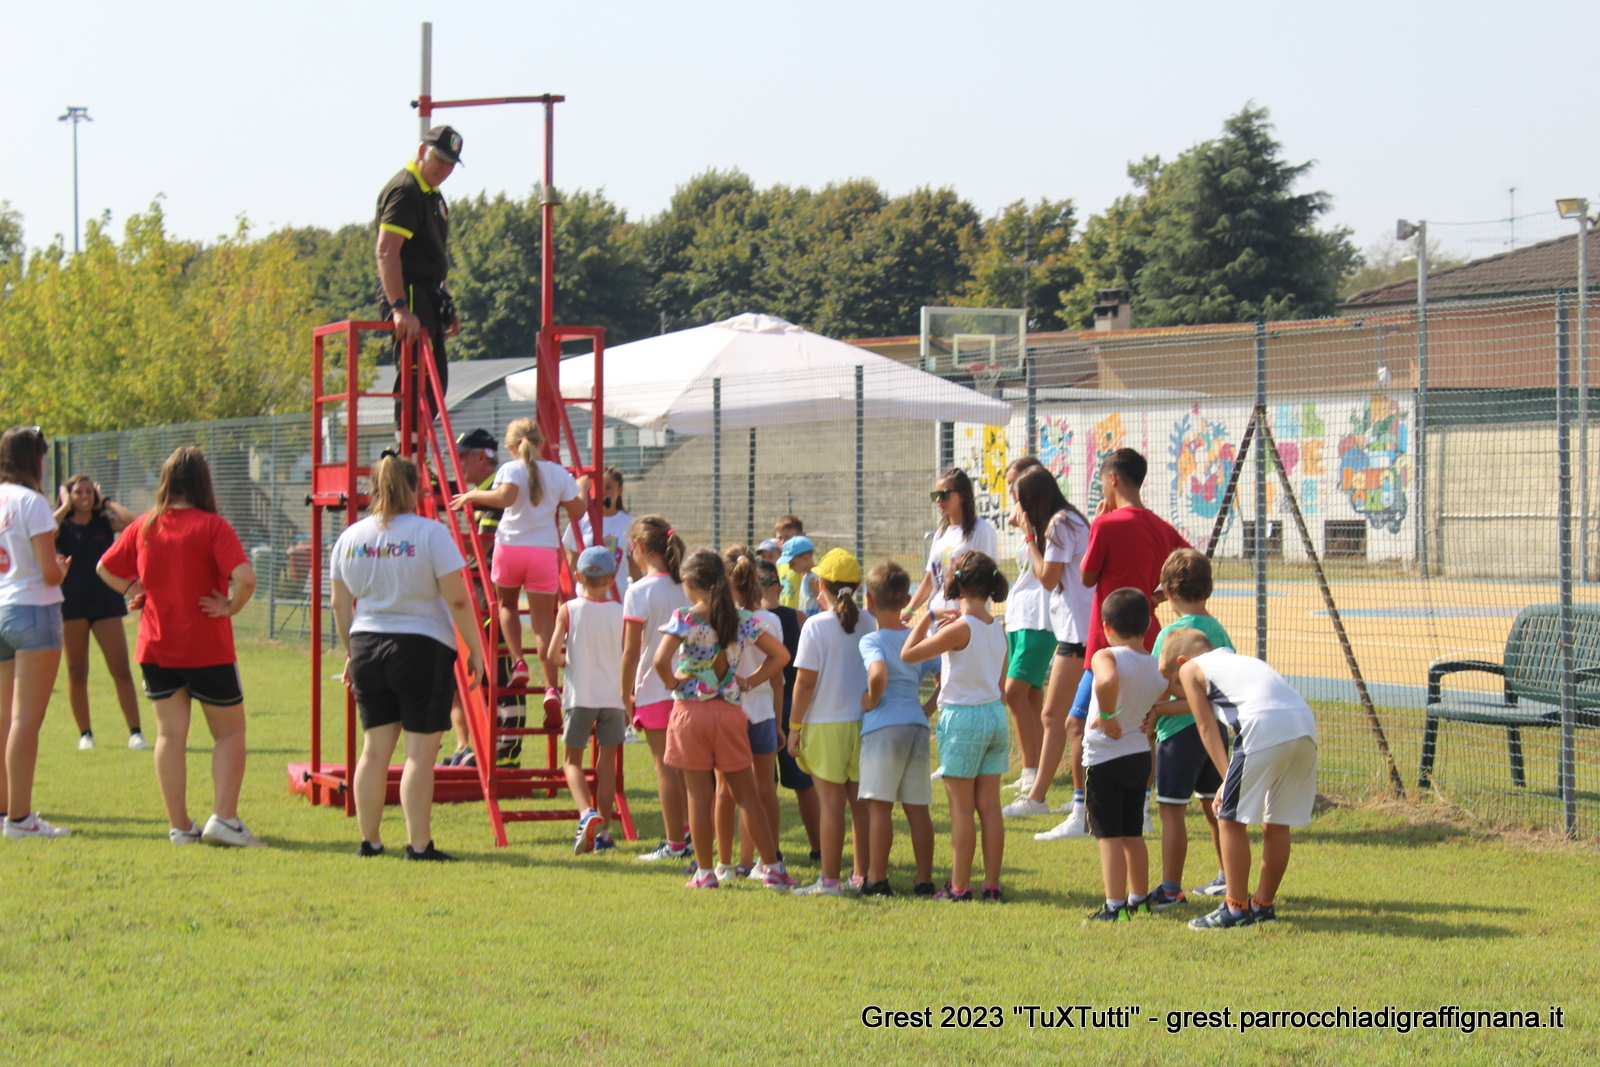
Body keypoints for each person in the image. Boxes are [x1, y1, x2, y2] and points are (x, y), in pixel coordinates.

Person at [98, 447, 261, 847]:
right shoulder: (212, 526)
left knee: (170, 736)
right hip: (206, 646)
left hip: (156, 646)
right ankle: (224, 819)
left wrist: (135, 589)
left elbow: (104, 567)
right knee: (229, 732)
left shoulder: (144, 526)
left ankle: (180, 826)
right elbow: (247, 578)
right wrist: (229, 607)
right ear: (204, 482)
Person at [330, 452, 485, 860]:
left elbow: (339, 604)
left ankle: (370, 841)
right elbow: (457, 599)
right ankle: (419, 845)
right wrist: (477, 651)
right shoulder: (430, 534)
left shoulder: (349, 537)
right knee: (419, 753)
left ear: (373, 490)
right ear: (414, 488)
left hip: (365, 644)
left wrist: (351, 651)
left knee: (374, 750)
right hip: (421, 646)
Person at [1037, 448, 1188, 842]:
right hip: (1149, 642)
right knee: (1144, 724)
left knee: (1076, 724)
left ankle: (1080, 811)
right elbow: (1190, 561)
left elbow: (1086, 577)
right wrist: (1156, 597)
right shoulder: (1158, 525)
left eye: (1102, 480)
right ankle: (1140, 808)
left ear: (1113, 480)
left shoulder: (1107, 523)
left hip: (1107, 644)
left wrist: (1101, 522)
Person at [654, 549, 795, 889]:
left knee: (699, 795)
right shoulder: (743, 617)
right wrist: (748, 681)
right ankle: (773, 868)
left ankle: (705, 874)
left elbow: (661, 660)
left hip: (691, 713)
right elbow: (781, 656)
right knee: (747, 794)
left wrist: (674, 682)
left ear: (688, 583)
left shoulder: (686, 617)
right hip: (731, 712)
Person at [1160, 627, 1319, 929]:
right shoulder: (1243, 661)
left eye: (1173, 682)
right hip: (1304, 726)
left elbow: (1206, 728)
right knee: (1276, 822)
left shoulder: (1192, 669)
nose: (1176, 689)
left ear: (1182, 661)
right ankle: (1263, 904)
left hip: (1263, 726)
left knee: (1229, 818)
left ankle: (1234, 908)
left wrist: (1224, 779)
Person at [450, 418, 585, 720]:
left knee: (507, 607)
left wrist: (471, 496)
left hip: (510, 548)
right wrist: (581, 489)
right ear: (541, 443)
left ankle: (517, 662)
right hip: (544, 552)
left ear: (511, 447)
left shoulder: (510, 469)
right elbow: (577, 510)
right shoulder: (556, 472)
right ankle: (552, 688)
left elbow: (504, 498)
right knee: (543, 626)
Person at [902, 550, 1009, 902]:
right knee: (990, 808)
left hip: (963, 718)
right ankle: (991, 884)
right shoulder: (999, 630)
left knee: (961, 809)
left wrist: (927, 616)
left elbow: (909, 654)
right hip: (994, 716)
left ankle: (959, 886)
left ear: (957, 583)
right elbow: (1001, 684)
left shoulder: (959, 628)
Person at [1144, 549, 1234, 908]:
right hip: (1215, 737)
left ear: (1167, 592)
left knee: (1171, 812)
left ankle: (1170, 888)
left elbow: (1158, 686)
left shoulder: (1170, 634)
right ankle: (1229, 877)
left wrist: (1158, 711)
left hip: (1178, 737)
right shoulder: (1218, 631)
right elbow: (1215, 698)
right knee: (1219, 809)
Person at [1002, 465, 1092, 822]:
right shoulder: (1069, 519)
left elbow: (1047, 577)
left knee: (1054, 715)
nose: (1019, 509)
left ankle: (1038, 796)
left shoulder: (1058, 524)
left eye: (1021, 500)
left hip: (1077, 633)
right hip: (1078, 629)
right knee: (1072, 719)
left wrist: (1028, 538)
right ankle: (1081, 795)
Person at [785, 548, 876, 895]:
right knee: (860, 806)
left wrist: (794, 728)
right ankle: (861, 875)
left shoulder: (814, 625)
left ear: (819, 584)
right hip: (863, 723)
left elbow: (804, 683)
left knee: (831, 806)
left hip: (824, 726)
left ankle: (830, 881)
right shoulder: (869, 620)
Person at [1079, 588, 1167, 923]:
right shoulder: (1156, 667)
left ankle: (1114, 906)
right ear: (1148, 627)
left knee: (1108, 836)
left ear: (1106, 626)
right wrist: (1156, 711)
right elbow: (1177, 692)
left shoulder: (1107, 655)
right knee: (1133, 833)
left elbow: (1107, 679)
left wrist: (1107, 713)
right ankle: (1139, 899)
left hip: (1105, 759)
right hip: (1139, 756)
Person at [0, 427, 71, 840]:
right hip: (33, 612)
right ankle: (21, 818)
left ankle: (7, 810)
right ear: (33, 460)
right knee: (26, 721)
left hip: (3, 608)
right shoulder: (33, 502)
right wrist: (61, 570)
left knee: (5, 719)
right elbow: (48, 572)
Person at [856, 560, 939, 897]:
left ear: (869, 600)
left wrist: (873, 699)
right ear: (907, 600)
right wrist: (929, 706)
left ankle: (877, 878)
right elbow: (942, 673)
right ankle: (924, 879)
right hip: (917, 726)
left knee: (880, 807)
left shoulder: (871, 640)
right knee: (918, 808)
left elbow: (877, 674)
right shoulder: (917, 638)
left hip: (883, 729)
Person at [376, 125, 465, 438]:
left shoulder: (432, 195)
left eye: (451, 164)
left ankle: (419, 451)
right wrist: (399, 306)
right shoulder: (406, 190)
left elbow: (433, 257)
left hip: (427, 293)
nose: (444, 169)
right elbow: (387, 251)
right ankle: (408, 454)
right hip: (409, 291)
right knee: (417, 377)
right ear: (420, 152)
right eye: (439, 159)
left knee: (434, 380)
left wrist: (446, 303)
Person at [52, 475, 145, 751]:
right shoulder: (63, 526)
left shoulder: (105, 522)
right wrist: (64, 505)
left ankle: (136, 732)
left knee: (120, 668)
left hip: (105, 603)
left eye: (89, 492)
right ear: (68, 496)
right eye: (77, 492)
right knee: (77, 670)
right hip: (72, 605)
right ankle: (85, 734)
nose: (84, 496)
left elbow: (134, 522)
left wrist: (107, 502)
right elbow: (46, 529)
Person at [621, 516, 693, 862]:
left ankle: (675, 843)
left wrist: (625, 695)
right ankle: (691, 835)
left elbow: (631, 651)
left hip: (654, 689)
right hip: (692, 687)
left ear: (642, 549)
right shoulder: (689, 586)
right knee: (690, 770)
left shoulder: (638, 591)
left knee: (665, 769)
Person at [710, 546, 783, 880]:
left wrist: (744, 683)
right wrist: (778, 719)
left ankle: (725, 864)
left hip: (731, 712)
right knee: (764, 790)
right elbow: (778, 674)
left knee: (725, 791)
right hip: (764, 713)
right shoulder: (770, 620)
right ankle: (765, 862)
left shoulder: (722, 620)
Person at [550, 546, 626, 855]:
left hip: (580, 695)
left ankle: (585, 813)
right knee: (607, 765)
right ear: (611, 579)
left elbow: (552, 654)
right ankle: (604, 831)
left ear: (578, 576)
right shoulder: (621, 611)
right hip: (614, 698)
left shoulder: (568, 610)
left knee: (571, 761)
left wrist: (572, 659)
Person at [442, 427, 500, 766]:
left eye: (463, 456)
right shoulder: (481, 490)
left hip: (486, 592)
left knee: (477, 672)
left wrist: (437, 545)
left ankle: (484, 750)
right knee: (458, 675)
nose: (458, 463)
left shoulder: (491, 490)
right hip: (478, 587)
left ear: (481, 456)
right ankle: (465, 746)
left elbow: (484, 542)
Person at [998, 456, 1053, 796]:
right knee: (1031, 694)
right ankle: (1033, 767)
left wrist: (1027, 530)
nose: (1010, 491)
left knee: (1013, 691)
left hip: (1040, 619)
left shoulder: (1048, 521)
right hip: (1019, 616)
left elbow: (1048, 568)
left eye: (1014, 483)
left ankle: (1033, 771)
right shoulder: (1026, 519)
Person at [760, 557, 820, 861]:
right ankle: (819, 847)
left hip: (761, 706)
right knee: (804, 784)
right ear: (778, 584)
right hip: (793, 705)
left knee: (763, 786)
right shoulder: (796, 617)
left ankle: (770, 851)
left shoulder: (747, 620)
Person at [906, 468, 999, 625]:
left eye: (943, 495)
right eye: (935, 496)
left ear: (962, 495)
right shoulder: (940, 533)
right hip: (938, 621)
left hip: (966, 623)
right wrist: (909, 610)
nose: (938, 500)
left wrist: (963, 616)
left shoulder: (982, 530)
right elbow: (930, 580)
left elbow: (987, 581)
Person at [563, 466, 641, 601]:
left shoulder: (630, 523)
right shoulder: (581, 519)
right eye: (599, 486)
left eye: (609, 487)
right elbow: (573, 561)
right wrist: (568, 597)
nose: (603, 491)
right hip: (584, 597)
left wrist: (641, 599)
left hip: (618, 598)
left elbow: (634, 567)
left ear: (620, 491)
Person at [777, 535, 818, 619]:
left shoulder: (813, 579)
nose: (790, 568)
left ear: (805, 558)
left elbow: (823, 603)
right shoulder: (804, 576)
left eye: (792, 564)